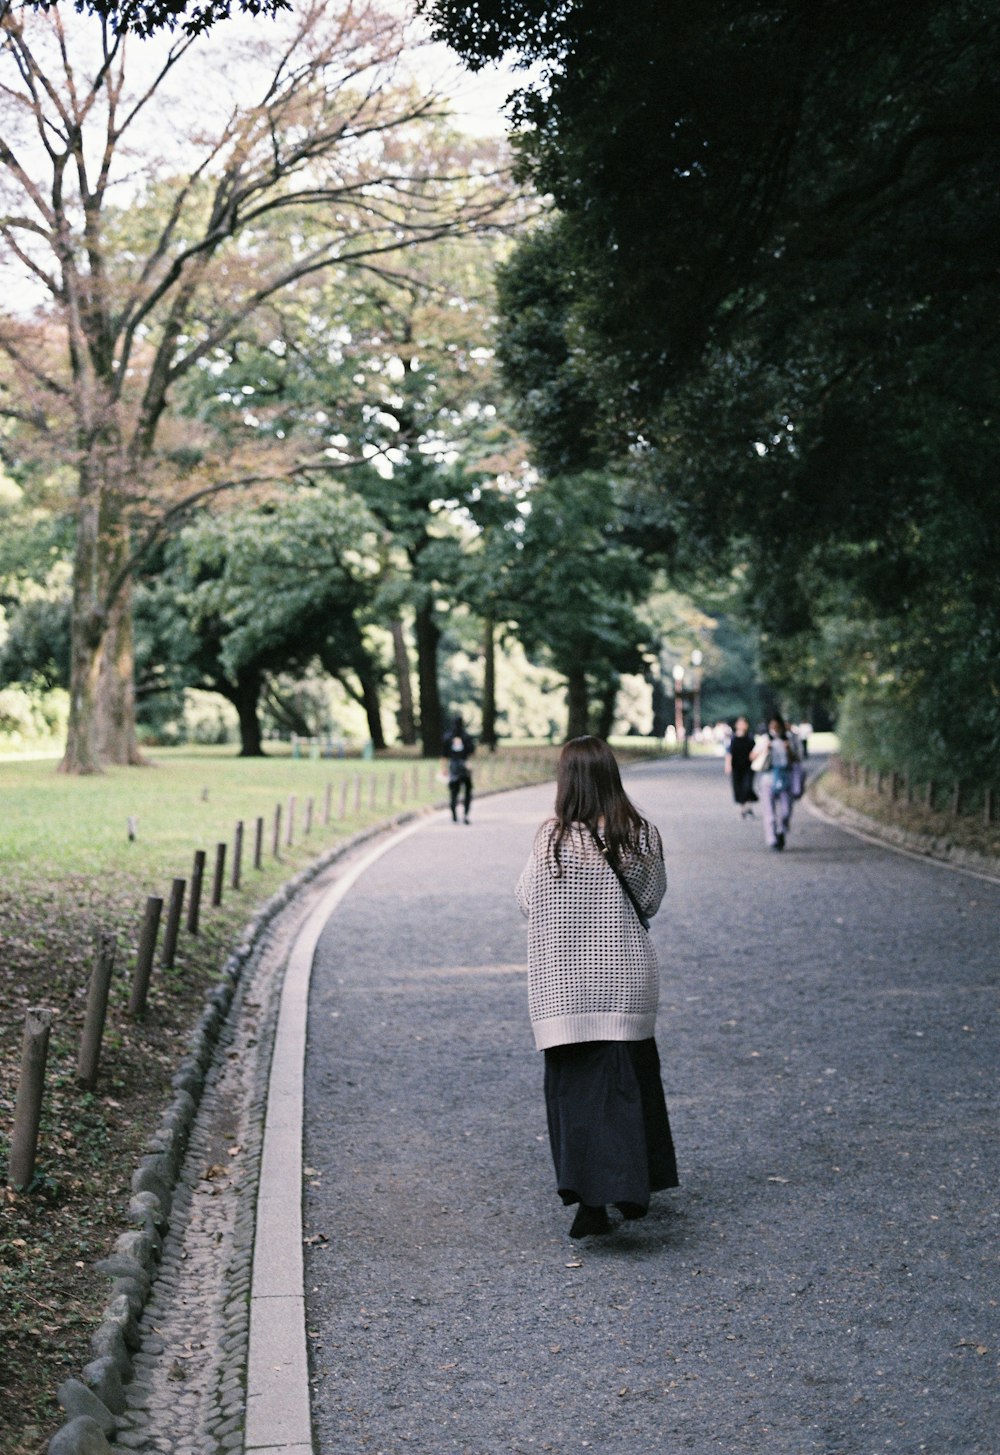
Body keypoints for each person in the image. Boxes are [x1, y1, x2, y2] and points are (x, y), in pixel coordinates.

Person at [515, 736, 678, 1238]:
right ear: (612, 775)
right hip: (624, 981)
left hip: (564, 988)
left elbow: (525, 899)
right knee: (628, 1086)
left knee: (576, 1095)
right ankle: (632, 1187)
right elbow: (649, 902)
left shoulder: (552, 839)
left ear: (566, 782)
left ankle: (591, 1202)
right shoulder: (641, 834)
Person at [751, 713, 800, 851]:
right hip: (768, 778)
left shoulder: (790, 739)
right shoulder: (765, 739)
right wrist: (765, 750)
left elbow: (798, 758)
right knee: (769, 813)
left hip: (785, 777)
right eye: (772, 726)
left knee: (786, 811)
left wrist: (788, 749)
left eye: (777, 726)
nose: (775, 729)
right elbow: (752, 756)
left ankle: (782, 831)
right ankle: (772, 839)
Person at [441, 714, 475, 823]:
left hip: (453, 766)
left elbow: (444, 755)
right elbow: (472, 752)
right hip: (464, 766)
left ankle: (454, 814)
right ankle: (465, 814)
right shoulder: (466, 736)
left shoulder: (447, 737)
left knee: (454, 791)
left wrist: (444, 768)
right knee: (467, 790)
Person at [724, 715, 758, 818]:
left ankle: (749, 807)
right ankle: (743, 809)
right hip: (736, 767)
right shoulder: (733, 738)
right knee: (738, 788)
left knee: (747, 787)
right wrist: (728, 765)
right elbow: (729, 752)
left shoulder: (750, 738)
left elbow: (755, 751)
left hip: (748, 767)